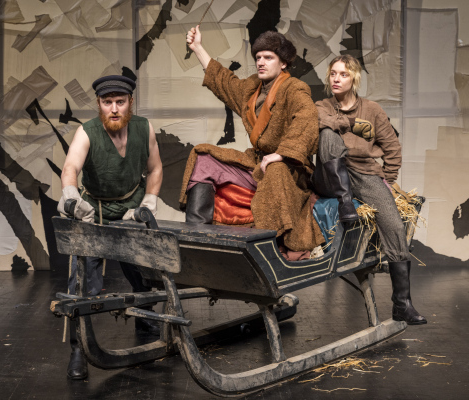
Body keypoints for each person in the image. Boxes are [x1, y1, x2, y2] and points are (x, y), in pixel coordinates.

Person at [181, 26, 324, 259]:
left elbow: (306, 119)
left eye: (268, 57)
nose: (261, 63)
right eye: (258, 57)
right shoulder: (251, 88)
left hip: (289, 169)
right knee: (203, 156)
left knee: (275, 169)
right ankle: (197, 235)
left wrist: (281, 154)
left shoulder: (294, 88)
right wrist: (197, 47)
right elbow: (223, 80)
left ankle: (268, 250)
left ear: (283, 63)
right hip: (257, 163)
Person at [57, 74, 163, 379]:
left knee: (144, 272)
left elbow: (155, 168)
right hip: (95, 213)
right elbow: (70, 167)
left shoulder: (144, 128)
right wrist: (71, 197)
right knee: (81, 285)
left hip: (131, 211)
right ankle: (79, 349)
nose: (114, 109)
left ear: (130, 102)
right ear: (99, 104)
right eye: (107, 102)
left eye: (120, 102)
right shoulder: (87, 131)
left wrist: (149, 202)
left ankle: (146, 319)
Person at [313, 54, 426, 325]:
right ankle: (345, 202)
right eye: (333, 74)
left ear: (354, 79)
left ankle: (402, 304)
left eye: (343, 74)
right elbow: (321, 123)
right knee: (327, 135)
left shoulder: (372, 109)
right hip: (330, 173)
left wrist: (387, 178)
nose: (337, 79)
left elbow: (392, 148)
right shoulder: (322, 105)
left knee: (394, 224)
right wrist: (352, 125)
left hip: (365, 173)